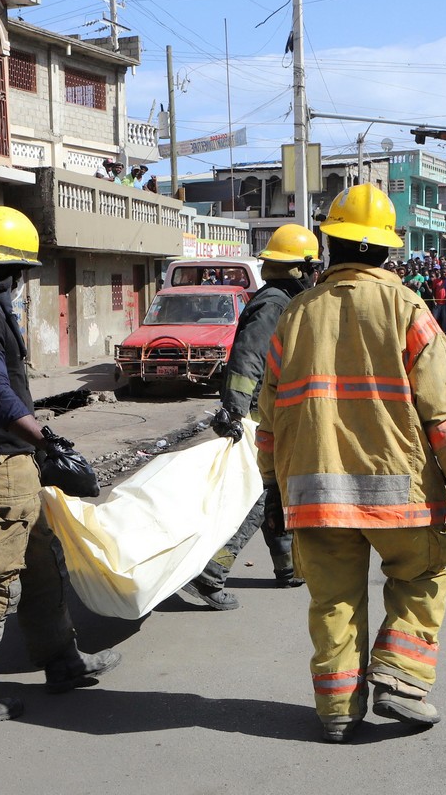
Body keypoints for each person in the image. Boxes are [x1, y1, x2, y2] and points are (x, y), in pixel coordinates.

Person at [256, 184, 446, 744]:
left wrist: (270, 490)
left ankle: (337, 709)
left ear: (329, 243)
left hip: (315, 496)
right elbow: (443, 413)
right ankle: (401, 680)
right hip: (403, 495)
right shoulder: (409, 310)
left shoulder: (294, 317)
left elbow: (268, 419)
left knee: (332, 600)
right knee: (421, 577)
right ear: (388, 251)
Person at [0, 206, 120, 725]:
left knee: (42, 566)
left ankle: (62, 661)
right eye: (19, 273)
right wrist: (48, 438)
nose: (19, 283)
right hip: (0, 466)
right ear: (8, 272)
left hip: (9, 461)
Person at [186, 224, 319, 610]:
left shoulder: (278, 299)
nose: (315, 277)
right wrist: (236, 407)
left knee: (275, 491)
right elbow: (249, 356)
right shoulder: (275, 304)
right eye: (311, 270)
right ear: (300, 269)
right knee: (260, 498)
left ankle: (289, 568)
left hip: (271, 414)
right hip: (260, 417)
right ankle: (211, 574)